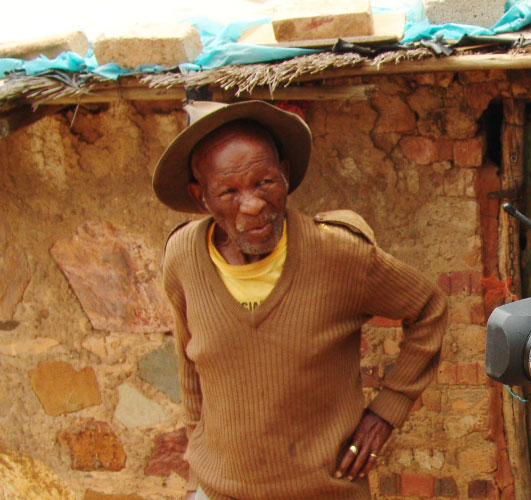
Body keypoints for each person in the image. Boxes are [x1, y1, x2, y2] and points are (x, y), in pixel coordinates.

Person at [153, 100, 447, 500]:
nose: (253, 205)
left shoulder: (338, 253)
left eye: (264, 183)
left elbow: (428, 307)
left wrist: (386, 410)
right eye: (229, 191)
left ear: (286, 176)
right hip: (220, 491)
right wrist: (198, 462)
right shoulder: (183, 255)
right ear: (200, 198)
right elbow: (189, 366)